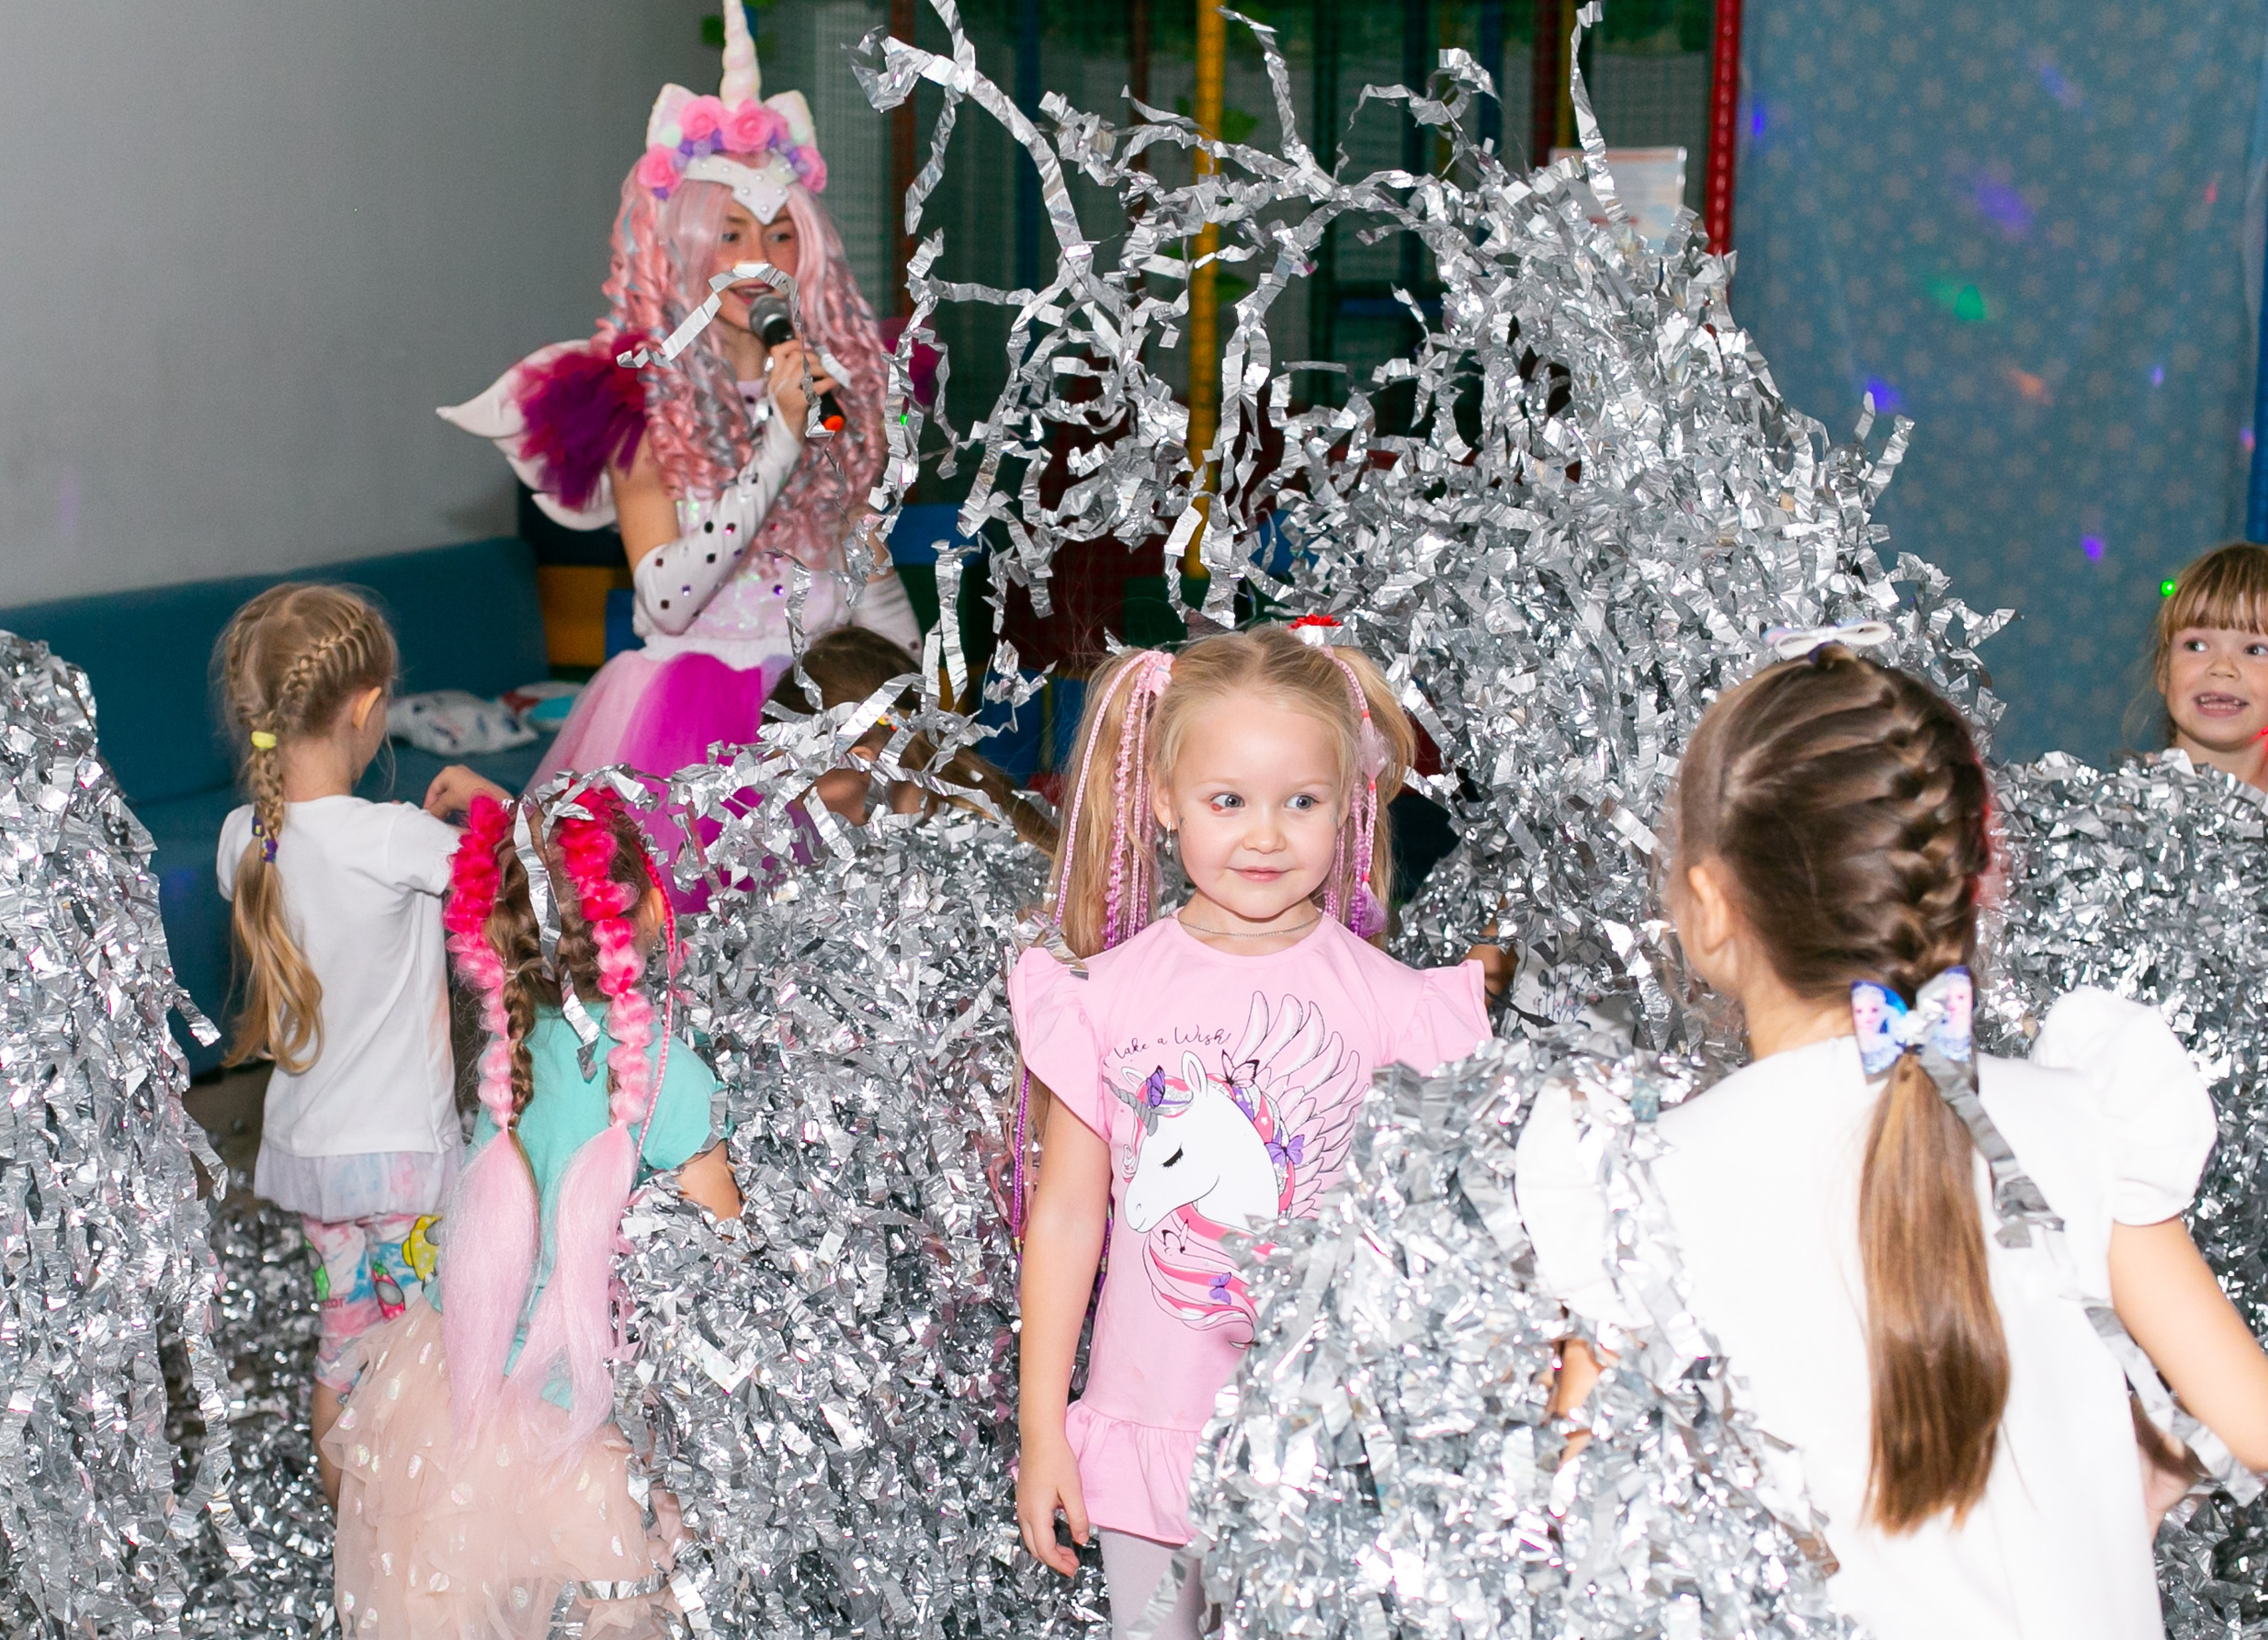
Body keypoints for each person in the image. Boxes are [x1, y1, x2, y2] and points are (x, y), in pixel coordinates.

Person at [1515, 644, 2268, 1638]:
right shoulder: (2074, 1114)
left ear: (1711, 903)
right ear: (1962, 884)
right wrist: (2138, 1473)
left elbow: (1576, 1526)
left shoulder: (1638, 1184)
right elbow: (2259, 1428)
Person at [1007, 621, 1493, 1639]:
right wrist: (1040, 1428)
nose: (1265, 837)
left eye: (1300, 803)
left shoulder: (1392, 1004)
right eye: (1229, 801)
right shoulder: (1104, 997)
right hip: (1147, 1436)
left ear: (1346, 804)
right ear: (1163, 801)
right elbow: (1065, 1220)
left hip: (1321, 1454)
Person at [441, 0, 919, 786]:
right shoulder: (637, 402)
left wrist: (912, 691)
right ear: (685, 248)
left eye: (778, 233)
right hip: (695, 728)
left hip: (830, 712)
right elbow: (667, 599)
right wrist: (781, 443)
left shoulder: (831, 381)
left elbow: (860, 556)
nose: (757, 257)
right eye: (728, 233)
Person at [325, 788, 741, 1637]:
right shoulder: (676, 1078)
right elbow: (723, 1256)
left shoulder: (511, 1046)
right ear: (654, 911)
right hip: (587, 1428)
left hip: (453, 1390)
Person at [212, 583, 471, 1504]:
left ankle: (347, 1508)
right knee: (432, 1335)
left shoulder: (246, 837)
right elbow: (524, 880)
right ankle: (422, 1521)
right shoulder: (395, 838)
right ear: (365, 709)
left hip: (310, 1153)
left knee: (348, 1326)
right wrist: (482, 802)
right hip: (399, 1158)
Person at [769, 624, 1060, 850]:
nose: (782, 798)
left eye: (793, 778)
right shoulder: (885, 841)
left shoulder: (970, 846)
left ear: (859, 763)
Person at [2146, 540, 2268, 858]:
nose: (2222, 667)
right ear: (2163, 670)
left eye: (2255, 650)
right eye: (2196, 646)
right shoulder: (2120, 811)